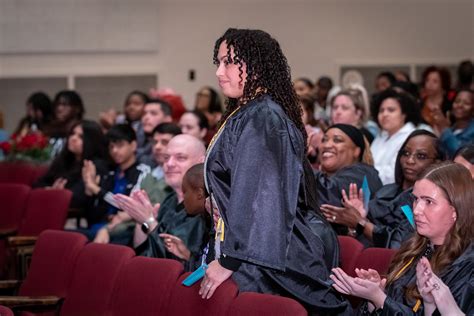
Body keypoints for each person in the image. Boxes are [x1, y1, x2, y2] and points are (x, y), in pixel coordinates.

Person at [201, 28, 349, 314]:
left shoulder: (263, 118)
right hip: (251, 250)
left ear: (255, 66)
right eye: (217, 62)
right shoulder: (249, 113)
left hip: (269, 258)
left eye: (229, 62)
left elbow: (260, 198)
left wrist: (229, 261)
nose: (220, 72)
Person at [330, 162, 474, 315]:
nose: (416, 210)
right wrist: (377, 294)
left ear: (455, 210)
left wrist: (380, 299)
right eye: (416, 199)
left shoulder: (467, 266)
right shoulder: (415, 247)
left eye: (428, 202)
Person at [321, 130, 446, 248]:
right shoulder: (385, 190)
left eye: (421, 156)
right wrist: (353, 226)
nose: (410, 160)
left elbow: (400, 243)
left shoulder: (426, 202)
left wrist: (361, 223)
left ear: (438, 163)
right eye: (406, 153)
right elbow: (358, 234)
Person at [115, 134, 207, 260]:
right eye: (166, 158)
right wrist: (141, 220)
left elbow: (177, 262)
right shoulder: (169, 200)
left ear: (201, 162)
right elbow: (144, 251)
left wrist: (149, 221)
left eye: (180, 158)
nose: (169, 164)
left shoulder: (205, 208)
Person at [80, 124, 149, 244]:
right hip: (98, 227)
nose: (114, 151)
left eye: (120, 145)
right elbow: (91, 215)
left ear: (133, 145)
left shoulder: (143, 172)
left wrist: (96, 189)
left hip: (122, 230)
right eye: (111, 147)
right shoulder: (108, 172)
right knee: (64, 237)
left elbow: (130, 206)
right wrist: (88, 190)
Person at [315, 124, 382, 236]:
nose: (327, 145)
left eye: (337, 140)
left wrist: (296, 158)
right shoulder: (325, 175)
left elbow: (326, 194)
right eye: (324, 140)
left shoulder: (363, 175)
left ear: (356, 151)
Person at [34, 120, 109, 209]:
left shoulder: (94, 165)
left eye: (80, 137)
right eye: (72, 134)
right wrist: (49, 190)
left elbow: (78, 199)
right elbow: (37, 184)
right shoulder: (64, 160)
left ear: (91, 141)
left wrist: (58, 194)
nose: (73, 138)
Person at [159, 163, 211, 271]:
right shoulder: (206, 221)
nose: (183, 198)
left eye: (185, 192)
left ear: (199, 194)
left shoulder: (217, 225)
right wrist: (188, 255)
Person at [370, 89, 423, 185]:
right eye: (381, 110)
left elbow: (394, 174)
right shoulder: (380, 137)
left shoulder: (411, 138)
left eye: (391, 110)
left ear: (404, 114)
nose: (385, 114)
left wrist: (366, 172)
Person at [45, 90, 85, 157]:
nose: (59, 108)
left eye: (65, 105)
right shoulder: (51, 130)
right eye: (57, 104)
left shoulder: (84, 131)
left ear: (77, 108)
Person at [136, 98, 173, 167]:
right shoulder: (135, 140)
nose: (146, 117)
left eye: (153, 113)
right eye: (144, 114)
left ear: (168, 119)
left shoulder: (175, 143)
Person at [438, 89, 474, 157]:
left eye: (466, 103)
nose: (460, 105)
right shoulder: (451, 129)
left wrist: (445, 130)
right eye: (457, 101)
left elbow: (461, 156)